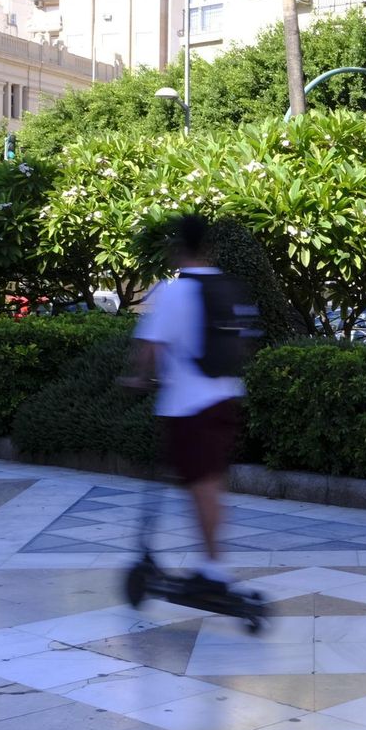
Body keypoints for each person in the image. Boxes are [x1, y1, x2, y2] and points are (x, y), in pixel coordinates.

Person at [131, 215, 244, 591]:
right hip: (225, 396)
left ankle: (214, 569)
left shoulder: (175, 291)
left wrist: (138, 378)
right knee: (208, 482)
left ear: (178, 249)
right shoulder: (223, 285)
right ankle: (212, 562)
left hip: (188, 406)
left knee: (201, 485)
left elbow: (150, 349)